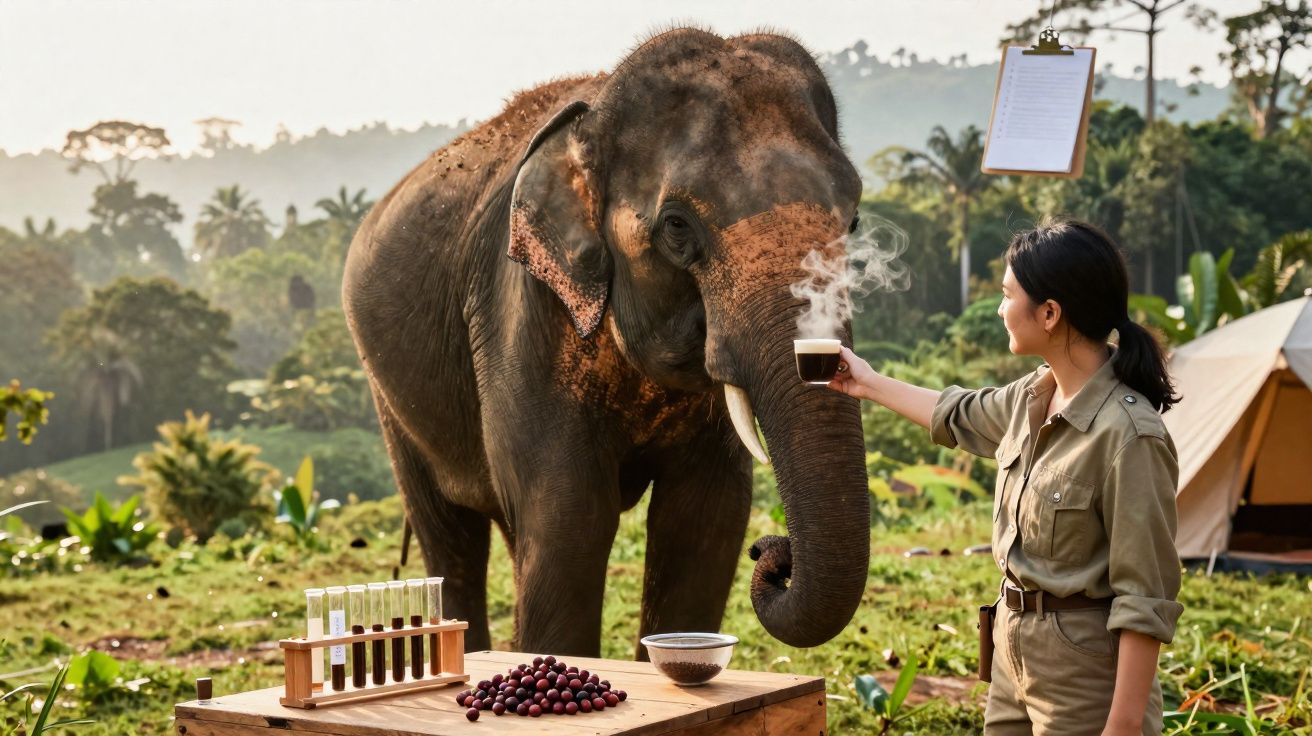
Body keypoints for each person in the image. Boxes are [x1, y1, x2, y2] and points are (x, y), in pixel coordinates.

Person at [828, 218, 1183, 736]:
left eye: (1007, 295)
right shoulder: (1032, 397)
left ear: (1049, 313)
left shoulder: (1129, 435)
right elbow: (956, 414)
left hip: (1084, 674)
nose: (999, 309)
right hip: (1011, 654)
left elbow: (1145, 596)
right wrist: (866, 382)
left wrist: (1124, 725)